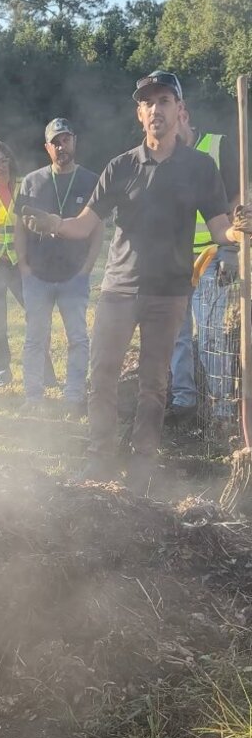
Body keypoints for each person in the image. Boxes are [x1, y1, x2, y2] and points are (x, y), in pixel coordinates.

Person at [22, 71, 252, 485]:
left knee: (154, 383)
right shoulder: (121, 167)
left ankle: (143, 460)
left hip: (169, 291)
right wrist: (53, 223)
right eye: (148, 103)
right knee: (102, 375)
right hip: (119, 289)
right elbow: (82, 224)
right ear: (139, 114)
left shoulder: (200, 167)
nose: (156, 109)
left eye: (164, 101)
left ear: (179, 111)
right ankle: (101, 455)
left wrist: (240, 229)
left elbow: (221, 230)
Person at [14, 118, 101, 416]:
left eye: (66, 140)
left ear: (74, 141)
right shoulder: (31, 181)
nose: (61, 146)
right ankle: (33, 397)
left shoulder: (91, 180)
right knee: (35, 339)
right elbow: (18, 226)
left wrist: (87, 267)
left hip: (73, 275)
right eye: (55, 142)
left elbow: (98, 228)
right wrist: (23, 265)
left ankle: (73, 397)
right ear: (47, 147)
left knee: (77, 339)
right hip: (37, 275)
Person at [167, 107, 239, 420]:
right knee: (176, 333)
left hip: (211, 254)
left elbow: (237, 197)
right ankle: (185, 402)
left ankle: (222, 408)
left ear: (182, 114)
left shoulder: (217, 145)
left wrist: (232, 250)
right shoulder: (166, 154)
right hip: (175, 258)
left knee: (210, 334)